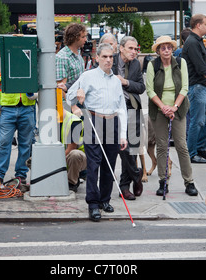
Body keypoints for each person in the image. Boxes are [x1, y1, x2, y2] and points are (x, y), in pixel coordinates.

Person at [66, 43, 128, 222]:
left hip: (113, 122)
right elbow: (69, 96)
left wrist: (123, 134)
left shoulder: (117, 81)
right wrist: (78, 97)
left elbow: (121, 108)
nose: (108, 60)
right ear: (97, 58)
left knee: (109, 165)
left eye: (110, 57)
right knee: (93, 164)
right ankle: (93, 204)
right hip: (94, 121)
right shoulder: (87, 76)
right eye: (104, 57)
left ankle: (104, 200)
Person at [146, 35, 198, 197]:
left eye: (169, 47)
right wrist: (163, 108)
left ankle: (189, 182)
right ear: (158, 51)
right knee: (161, 146)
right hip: (158, 110)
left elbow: (184, 88)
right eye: (163, 48)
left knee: (182, 146)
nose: (166, 50)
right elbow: (150, 90)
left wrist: (174, 107)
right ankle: (163, 181)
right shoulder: (152, 65)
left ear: (172, 49)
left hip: (178, 109)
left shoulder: (180, 63)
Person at [0, 56, 37, 189]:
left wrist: (36, 91)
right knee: (3, 142)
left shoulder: (29, 58)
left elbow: (38, 79)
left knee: (25, 144)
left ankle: (21, 176)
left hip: (27, 107)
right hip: (8, 108)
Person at [182, 14, 206, 164]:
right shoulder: (192, 42)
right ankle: (191, 153)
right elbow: (201, 67)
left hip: (203, 86)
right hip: (196, 86)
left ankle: (200, 147)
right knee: (197, 121)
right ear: (198, 25)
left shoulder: (198, 41)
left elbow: (205, 64)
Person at [113, 36, 146, 200]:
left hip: (132, 107)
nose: (134, 52)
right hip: (114, 110)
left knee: (132, 149)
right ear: (121, 48)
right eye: (130, 48)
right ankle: (136, 173)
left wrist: (126, 82)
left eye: (136, 49)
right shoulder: (110, 62)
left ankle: (124, 188)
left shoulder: (135, 64)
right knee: (122, 147)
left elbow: (141, 87)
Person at [56, 23, 87, 114]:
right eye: (83, 37)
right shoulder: (62, 57)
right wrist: (73, 107)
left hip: (79, 101)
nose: (85, 39)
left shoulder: (78, 53)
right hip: (69, 107)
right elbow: (60, 88)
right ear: (74, 38)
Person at [61, 109, 86, 192]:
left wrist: (55, 164)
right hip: (60, 157)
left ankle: (72, 182)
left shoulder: (74, 121)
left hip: (77, 159)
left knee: (74, 154)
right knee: (32, 160)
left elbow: (71, 148)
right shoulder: (48, 119)